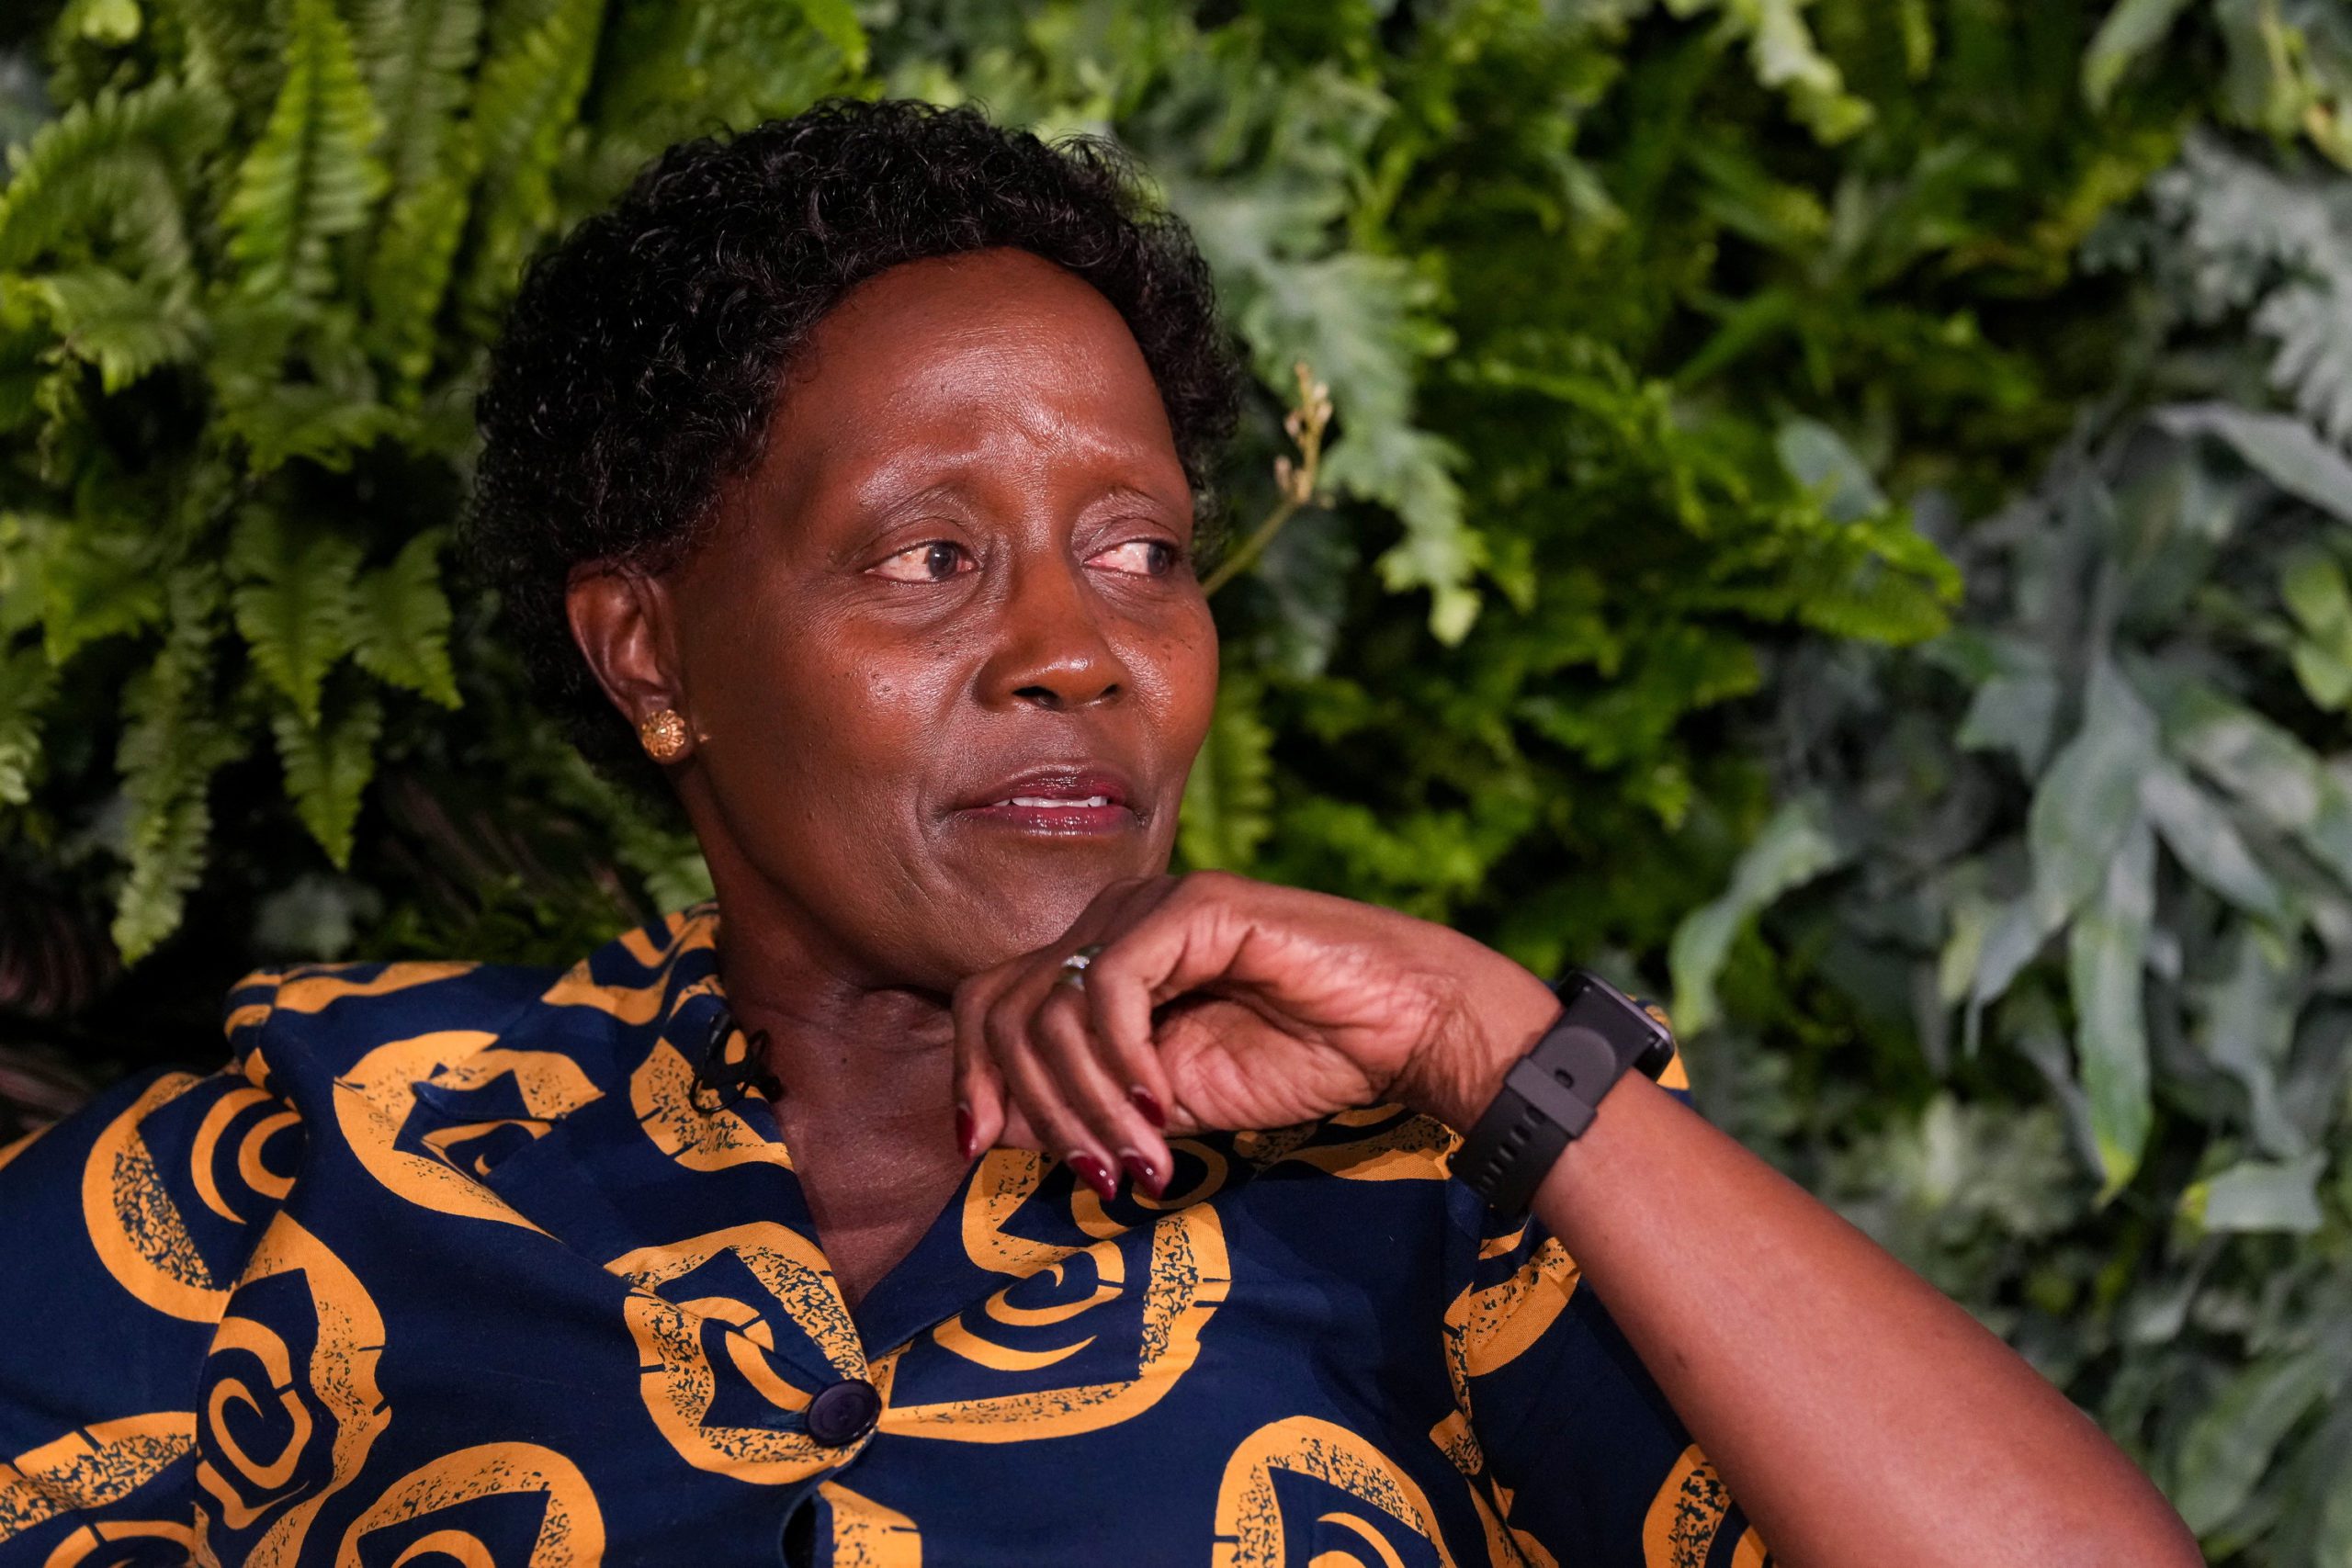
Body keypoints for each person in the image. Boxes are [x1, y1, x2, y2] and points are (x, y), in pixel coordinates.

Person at [0, 98, 2197, 1568]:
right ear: (649, 648)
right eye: (928, 559)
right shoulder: (325, 1147)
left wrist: (1491, 1036)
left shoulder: (1447, 1181)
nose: (1079, 648)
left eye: (1142, 552)